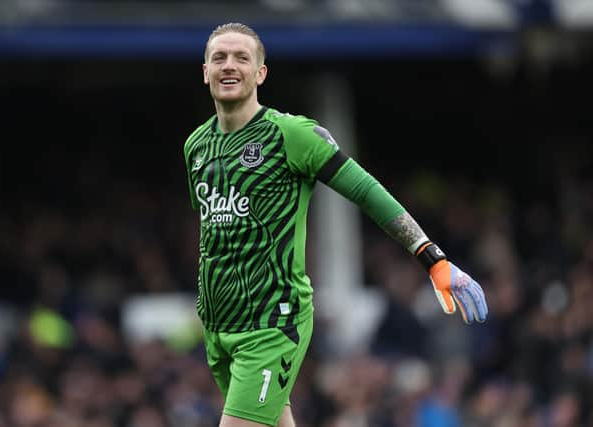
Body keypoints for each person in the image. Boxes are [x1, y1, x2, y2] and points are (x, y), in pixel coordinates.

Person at [183, 22, 488, 427]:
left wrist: (432, 258)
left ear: (261, 73)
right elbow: (214, 238)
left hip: (271, 324)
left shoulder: (290, 134)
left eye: (242, 57)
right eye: (219, 57)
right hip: (219, 328)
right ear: (205, 70)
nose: (229, 65)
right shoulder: (197, 146)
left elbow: (367, 191)